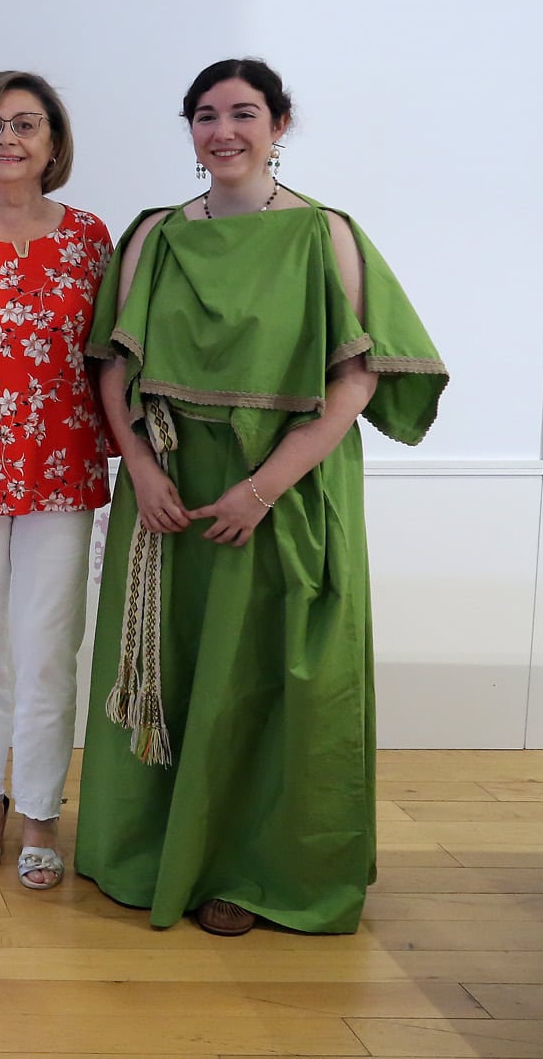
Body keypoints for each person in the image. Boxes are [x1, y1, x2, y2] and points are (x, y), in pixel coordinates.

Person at [74, 58, 446, 936]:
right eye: (205, 115)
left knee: (268, 680)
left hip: (284, 491)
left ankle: (253, 871)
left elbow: (355, 382)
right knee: (171, 667)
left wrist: (259, 488)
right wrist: (144, 468)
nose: (224, 131)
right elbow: (116, 371)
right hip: (170, 489)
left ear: (281, 124)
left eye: (244, 113)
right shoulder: (154, 235)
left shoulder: (327, 233)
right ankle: (156, 849)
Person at [0, 71, 113, 890]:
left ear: (53, 144)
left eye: (25, 125)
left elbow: (109, 357)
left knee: (48, 647)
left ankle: (41, 805)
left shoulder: (88, 239)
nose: (6, 139)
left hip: (63, 464)